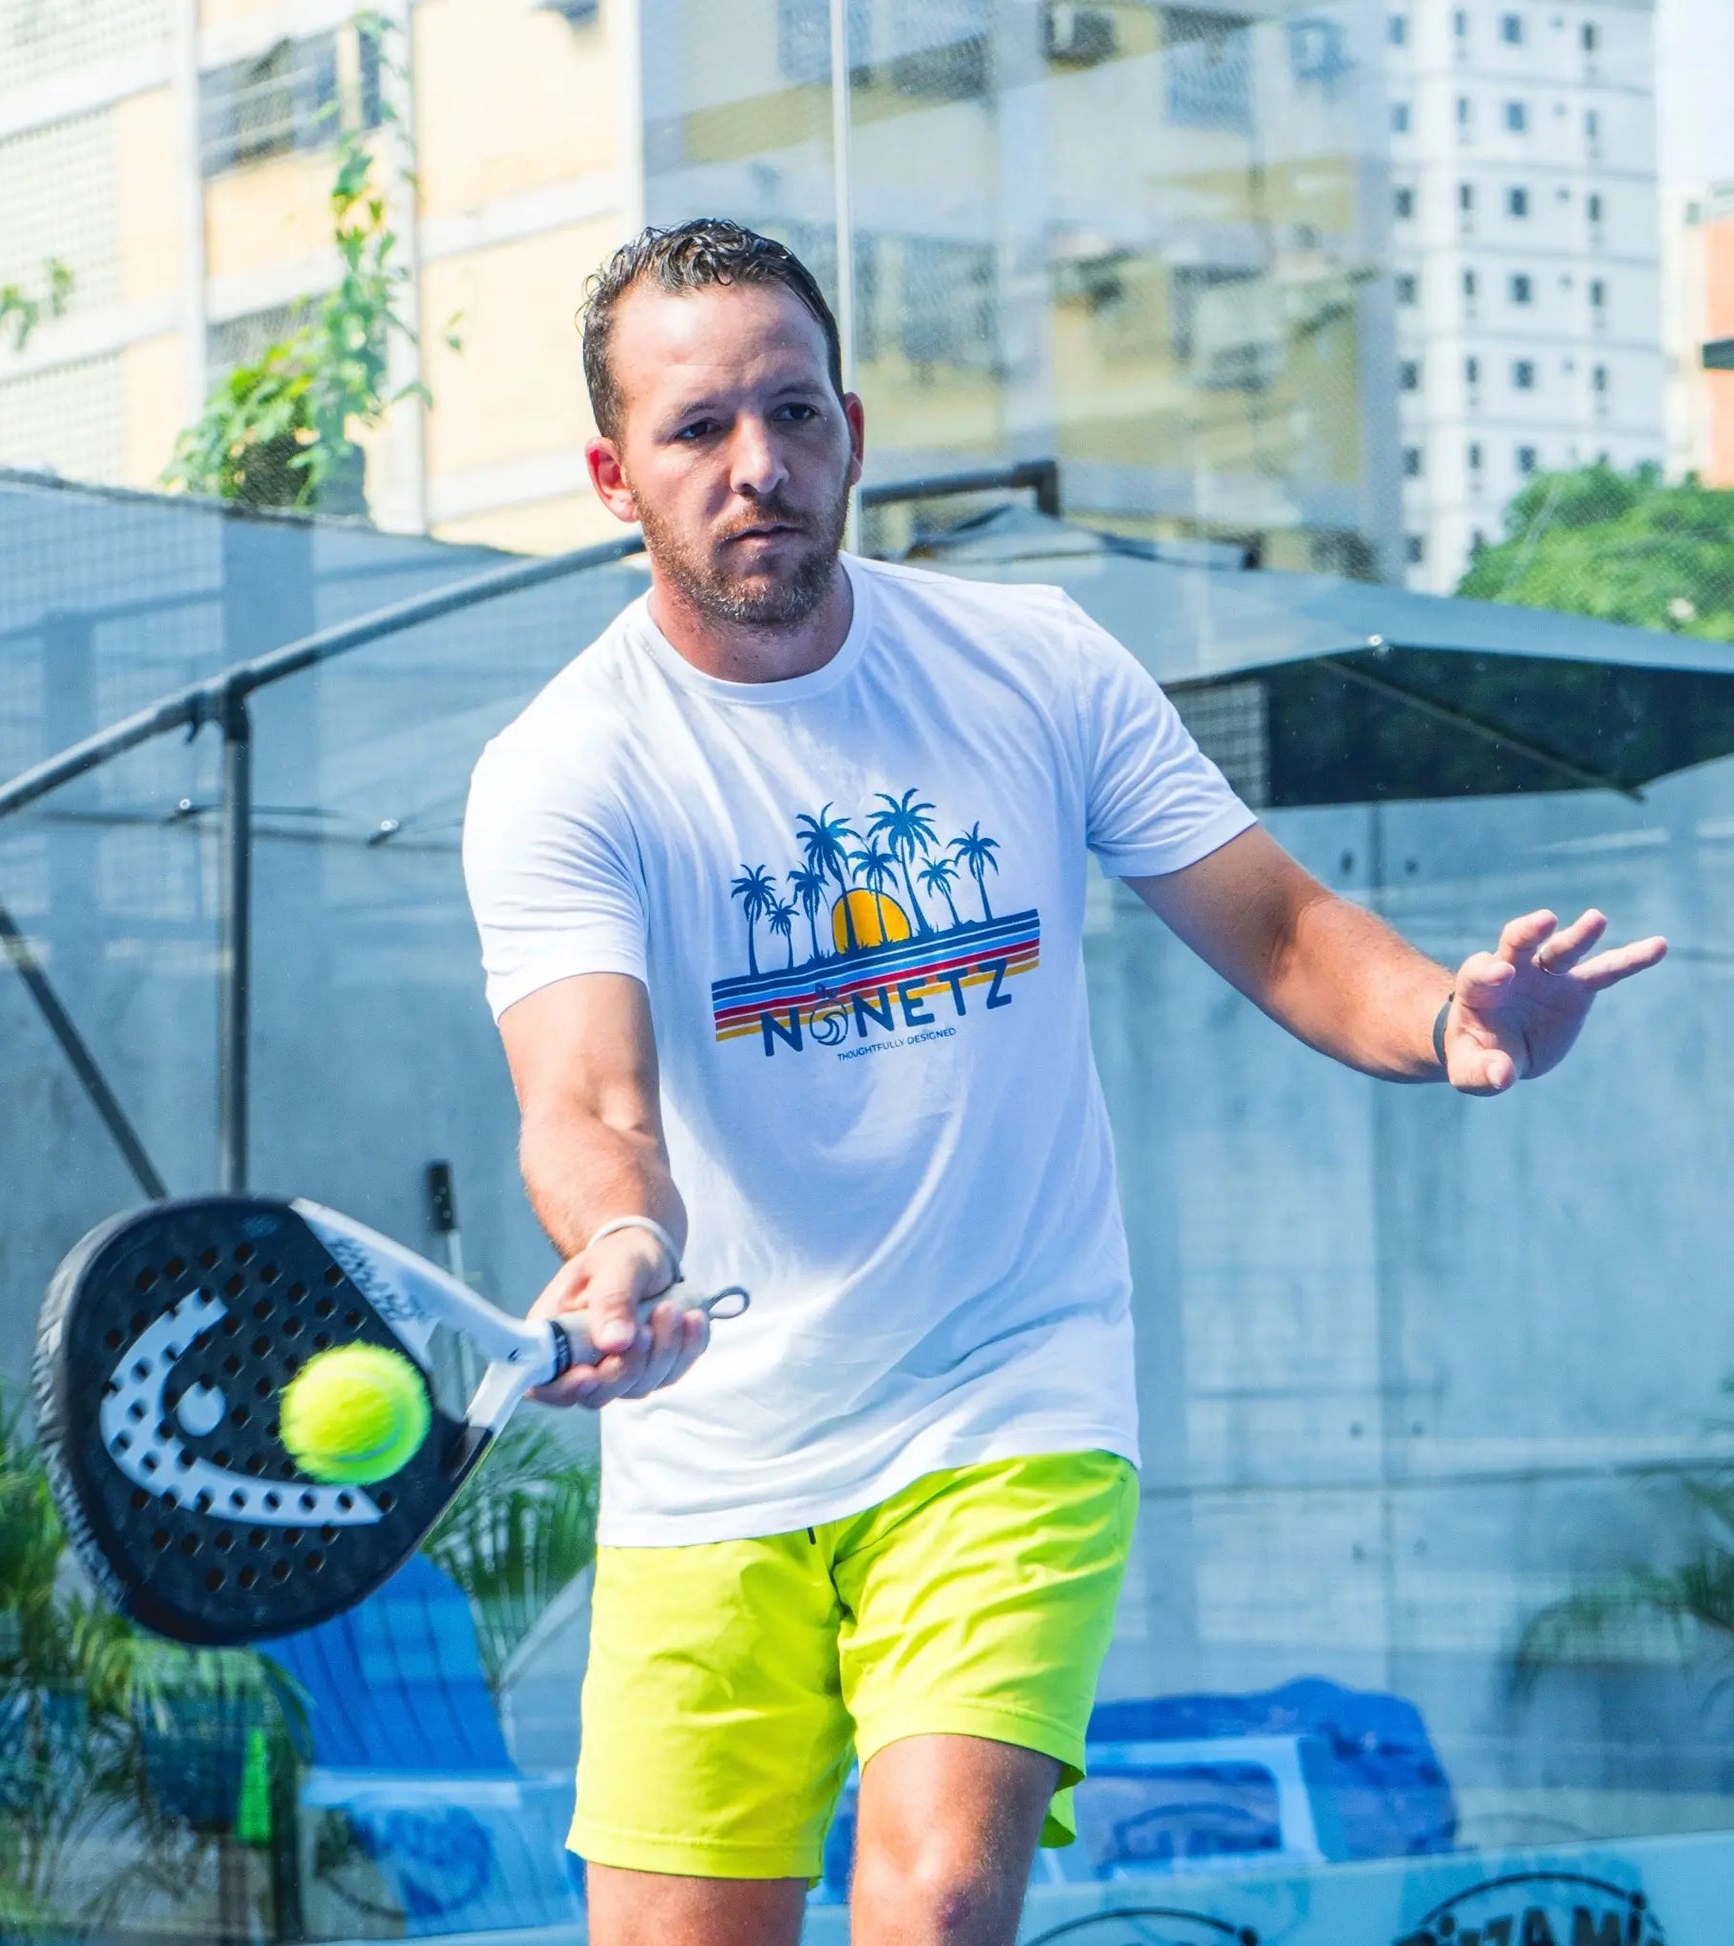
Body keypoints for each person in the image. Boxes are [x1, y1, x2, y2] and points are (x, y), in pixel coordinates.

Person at [459, 219, 1666, 1946]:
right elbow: (589, 1099)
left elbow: (1282, 928)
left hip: (1003, 1394)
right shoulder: (563, 768)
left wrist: (1443, 1021)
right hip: (712, 1453)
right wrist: (624, 1250)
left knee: (940, 1897)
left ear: (853, 431)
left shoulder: (1034, 664)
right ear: (610, 474)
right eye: (698, 429)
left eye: (794, 416)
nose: (759, 468)